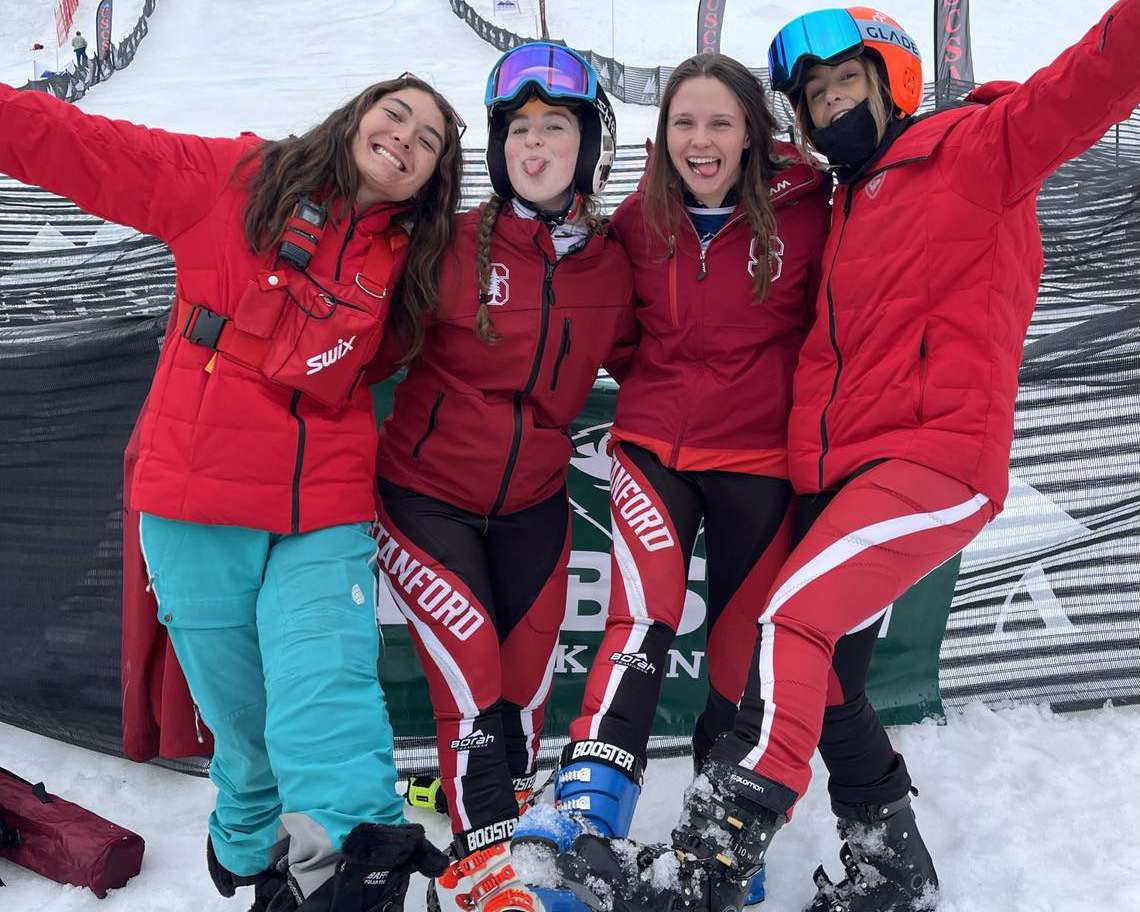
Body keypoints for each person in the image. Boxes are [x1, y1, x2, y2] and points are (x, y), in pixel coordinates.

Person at [551, 3, 1140, 912]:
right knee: (825, 689)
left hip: (932, 458)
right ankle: (892, 867)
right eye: (815, 95)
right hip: (839, 477)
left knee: (791, 623)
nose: (831, 105)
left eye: (846, 84)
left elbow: (1096, 75)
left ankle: (709, 860)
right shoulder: (838, 201)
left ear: (890, 82)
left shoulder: (977, 151)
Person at [0, 74, 464, 912]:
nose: (405, 138)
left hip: (322, 506)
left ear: (433, 177)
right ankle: (249, 829)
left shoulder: (420, 257)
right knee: (243, 723)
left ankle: (355, 867)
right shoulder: (236, 182)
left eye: (429, 140)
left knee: (326, 689)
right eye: (396, 114)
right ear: (357, 115)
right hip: (195, 498)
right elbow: (77, 145)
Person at [510, 51, 829, 908]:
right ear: (661, 137)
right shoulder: (638, 220)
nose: (700, 140)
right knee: (641, 619)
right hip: (654, 444)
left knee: (738, 653)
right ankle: (585, 819)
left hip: (761, 460)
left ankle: (720, 837)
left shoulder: (808, 208)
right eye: (683, 123)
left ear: (751, 134)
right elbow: (611, 326)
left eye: (719, 122)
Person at [370, 42, 636, 912]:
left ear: (588, 145)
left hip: (535, 504)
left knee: (522, 690)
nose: (535, 144)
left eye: (555, 126)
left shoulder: (611, 267)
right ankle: (488, 873)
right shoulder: (444, 244)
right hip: (425, 495)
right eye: (517, 128)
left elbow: (664, 360)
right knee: (474, 686)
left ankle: (502, 822)